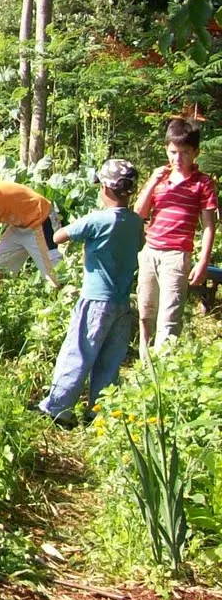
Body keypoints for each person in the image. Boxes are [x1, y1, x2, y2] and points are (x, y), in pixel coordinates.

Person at [38, 160, 144, 425]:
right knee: (110, 359)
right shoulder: (135, 221)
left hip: (95, 301)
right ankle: (99, 412)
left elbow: (60, 237)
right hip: (122, 303)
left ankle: (58, 408)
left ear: (105, 188)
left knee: (78, 352)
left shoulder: (97, 219)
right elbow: (139, 244)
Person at [133, 117, 217, 352]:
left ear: (195, 152)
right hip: (150, 252)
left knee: (168, 318)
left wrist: (202, 261)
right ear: (166, 150)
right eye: (173, 152)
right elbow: (139, 213)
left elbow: (209, 225)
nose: (178, 159)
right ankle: (145, 365)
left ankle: (164, 367)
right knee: (145, 313)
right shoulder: (159, 179)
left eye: (185, 153)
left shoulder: (203, 183)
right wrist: (152, 181)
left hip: (177, 256)